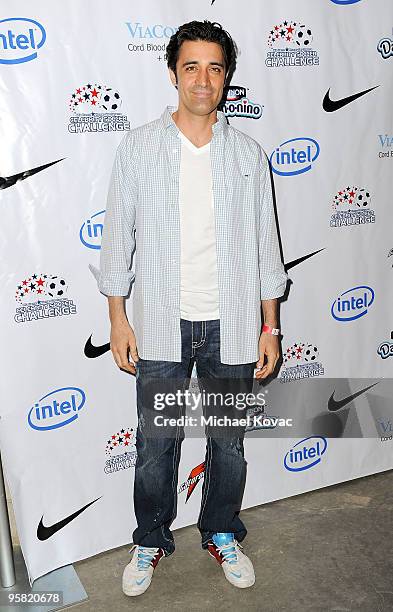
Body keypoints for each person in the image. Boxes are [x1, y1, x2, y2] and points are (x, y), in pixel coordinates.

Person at [95, 20, 287, 596]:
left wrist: (270, 327)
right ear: (174, 73)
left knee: (227, 442)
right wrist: (118, 319)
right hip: (159, 325)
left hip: (231, 323)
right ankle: (150, 539)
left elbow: (266, 251)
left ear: (227, 76)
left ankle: (221, 530)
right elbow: (115, 242)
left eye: (215, 67)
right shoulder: (139, 148)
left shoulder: (250, 157)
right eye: (192, 67)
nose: (204, 80)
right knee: (157, 445)